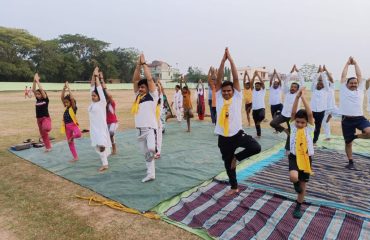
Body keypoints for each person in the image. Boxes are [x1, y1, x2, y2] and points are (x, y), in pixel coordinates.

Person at [215, 48, 261, 196]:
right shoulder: (219, 97)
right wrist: (222, 61)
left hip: (237, 134)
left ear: (233, 91)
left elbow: (235, 79)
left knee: (256, 147)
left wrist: (231, 60)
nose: (227, 92)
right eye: (224, 91)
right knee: (228, 165)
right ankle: (234, 187)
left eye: (229, 90)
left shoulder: (237, 97)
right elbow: (219, 79)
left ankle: (237, 157)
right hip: (223, 137)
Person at [339, 57, 370, 170]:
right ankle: (350, 161)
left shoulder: (360, 89)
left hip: (360, 118)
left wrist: (356, 63)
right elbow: (343, 76)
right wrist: (347, 64)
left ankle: (355, 136)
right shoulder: (343, 89)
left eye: (355, 83)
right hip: (346, 120)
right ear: (347, 84)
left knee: (369, 132)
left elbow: (359, 75)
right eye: (351, 83)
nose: (353, 84)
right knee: (348, 143)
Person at [132, 53, 158, 182]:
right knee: (146, 155)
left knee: (151, 149)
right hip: (139, 130)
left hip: (150, 129)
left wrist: (144, 65)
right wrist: (138, 65)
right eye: (140, 87)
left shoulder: (153, 96)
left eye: (143, 87)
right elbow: (135, 80)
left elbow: (149, 79)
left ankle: (154, 152)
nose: (140, 88)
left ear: (148, 88)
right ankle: (151, 174)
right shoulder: (137, 96)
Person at [289, 87, 314, 219]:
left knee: (303, 186)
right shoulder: (293, 126)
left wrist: (304, 97)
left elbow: (309, 114)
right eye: (298, 121)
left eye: (302, 122)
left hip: (306, 158)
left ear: (307, 123)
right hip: (294, 156)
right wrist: (297, 97)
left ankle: (298, 206)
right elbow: (293, 112)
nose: (299, 124)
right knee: (293, 177)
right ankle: (296, 184)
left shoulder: (309, 128)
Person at [270, 64, 304, 152]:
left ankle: (287, 149)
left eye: (294, 87)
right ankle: (284, 130)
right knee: (273, 123)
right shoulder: (287, 92)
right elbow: (285, 82)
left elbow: (302, 82)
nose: (292, 88)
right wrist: (291, 72)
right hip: (283, 115)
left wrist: (298, 71)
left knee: (291, 133)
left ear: (297, 89)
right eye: (292, 87)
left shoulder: (299, 94)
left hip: (292, 117)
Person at [88, 67, 112, 172]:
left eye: (94, 96)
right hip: (94, 129)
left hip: (101, 128)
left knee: (102, 145)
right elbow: (92, 86)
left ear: (99, 97)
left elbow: (98, 87)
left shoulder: (102, 102)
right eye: (92, 95)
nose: (93, 97)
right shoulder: (92, 104)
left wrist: (97, 77)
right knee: (98, 146)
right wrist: (93, 74)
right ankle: (105, 157)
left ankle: (105, 164)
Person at [60, 81, 81, 162]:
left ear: (71, 102)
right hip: (66, 127)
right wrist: (64, 88)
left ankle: (72, 138)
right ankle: (75, 157)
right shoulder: (66, 108)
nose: (65, 103)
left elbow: (71, 98)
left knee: (78, 134)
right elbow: (62, 97)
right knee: (70, 144)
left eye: (67, 102)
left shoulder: (73, 108)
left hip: (73, 125)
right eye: (65, 102)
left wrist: (68, 88)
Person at [32, 73, 52, 152]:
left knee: (46, 128)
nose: (37, 95)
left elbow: (42, 91)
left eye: (38, 94)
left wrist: (38, 82)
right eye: (36, 94)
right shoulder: (37, 100)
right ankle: (48, 147)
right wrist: (34, 81)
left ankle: (48, 128)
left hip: (45, 118)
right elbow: (33, 90)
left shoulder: (45, 100)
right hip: (38, 119)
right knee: (43, 135)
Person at [310, 65, 330, 144]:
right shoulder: (313, 89)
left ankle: (314, 140)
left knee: (317, 126)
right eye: (318, 84)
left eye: (321, 84)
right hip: (312, 111)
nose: (319, 85)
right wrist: (318, 72)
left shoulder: (326, 90)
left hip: (321, 112)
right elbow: (314, 80)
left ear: (323, 86)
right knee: (310, 125)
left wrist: (322, 73)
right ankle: (308, 138)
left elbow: (325, 81)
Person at [100, 72, 119, 155]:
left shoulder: (112, 103)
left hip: (113, 122)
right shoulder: (102, 104)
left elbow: (109, 95)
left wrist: (102, 80)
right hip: (106, 123)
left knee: (111, 133)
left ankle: (114, 148)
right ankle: (107, 148)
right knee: (107, 136)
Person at [321, 65, 337, 141]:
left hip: (333, 107)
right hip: (325, 109)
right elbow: (321, 79)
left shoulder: (332, 87)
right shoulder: (323, 88)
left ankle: (331, 115)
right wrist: (322, 72)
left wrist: (326, 70)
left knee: (346, 116)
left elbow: (331, 79)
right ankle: (328, 137)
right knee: (324, 123)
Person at [250, 71, 266, 138]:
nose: (257, 86)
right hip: (254, 109)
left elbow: (262, 83)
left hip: (261, 108)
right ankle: (258, 135)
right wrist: (254, 76)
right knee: (256, 123)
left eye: (258, 86)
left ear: (260, 86)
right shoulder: (253, 91)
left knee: (262, 116)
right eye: (256, 86)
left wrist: (258, 76)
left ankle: (260, 121)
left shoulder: (262, 91)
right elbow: (251, 83)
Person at [155, 79, 165, 159]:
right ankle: (155, 151)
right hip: (152, 120)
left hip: (157, 121)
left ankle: (158, 152)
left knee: (158, 137)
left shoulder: (160, 98)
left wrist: (158, 84)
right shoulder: (153, 97)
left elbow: (161, 90)